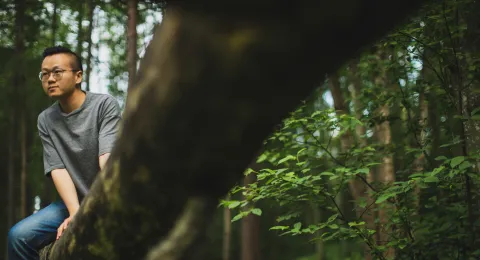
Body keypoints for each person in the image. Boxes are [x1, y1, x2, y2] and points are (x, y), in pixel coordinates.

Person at [7, 46, 122, 260]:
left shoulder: (104, 105)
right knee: (18, 236)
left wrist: (104, 205)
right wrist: (75, 212)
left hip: (107, 195)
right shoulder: (46, 120)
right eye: (45, 74)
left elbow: (108, 159)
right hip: (72, 200)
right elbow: (58, 168)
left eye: (57, 72)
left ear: (78, 76)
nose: (50, 79)